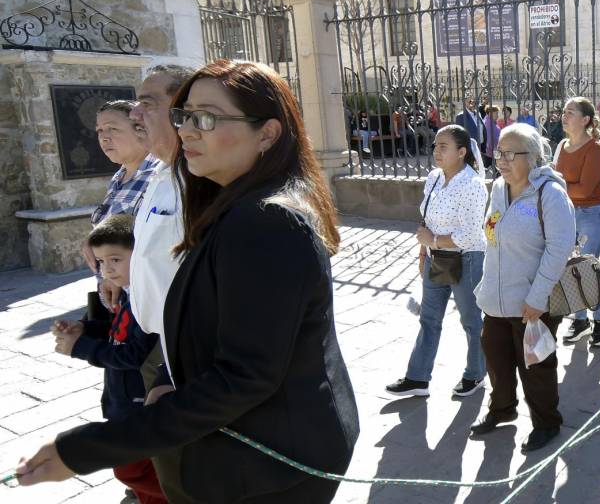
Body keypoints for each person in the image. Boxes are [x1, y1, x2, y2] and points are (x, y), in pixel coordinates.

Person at [15, 61, 361, 502]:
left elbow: (244, 376)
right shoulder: (225, 201)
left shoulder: (265, 221)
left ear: (268, 133)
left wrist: (85, 450)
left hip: (270, 467)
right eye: (184, 115)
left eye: (207, 118)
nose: (187, 131)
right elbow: (206, 321)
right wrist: (165, 373)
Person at [471, 123, 576, 453]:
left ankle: (547, 423)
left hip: (532, 304)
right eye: (498, 152)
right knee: (497, 362)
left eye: (509, 154)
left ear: (532, 158)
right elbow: (492, 237)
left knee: (536, 368)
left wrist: (537, 298)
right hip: (496, 302)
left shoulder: (550, 194)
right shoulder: (499, 188)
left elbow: (559, 249)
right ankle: (502, 409)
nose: (500, 160)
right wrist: (486, 287)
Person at [53, 215, 166, 504]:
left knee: (136, 471)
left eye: (115, 259)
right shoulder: (129, 294)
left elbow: (132, 355)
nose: (108, 269)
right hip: (120, 399)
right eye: (101, 262)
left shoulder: (147, 299)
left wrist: (81, 347)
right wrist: (86, 328)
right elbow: (117, 331)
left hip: (138, 402)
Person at [387, 125, 489, 399]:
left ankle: (476, 373)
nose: (436, 151)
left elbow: (469, 235)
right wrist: (424, 252)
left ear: (462, 152)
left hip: (467, 259)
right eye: (435, 145)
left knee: (472, 321)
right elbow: (428, 220)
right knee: (429, 319)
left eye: (444, 146)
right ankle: (418, 378)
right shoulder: (433, 177)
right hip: (436, 258)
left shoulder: (473, 186)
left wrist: (432, 240)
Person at [86, 100, 159, 313]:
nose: (104, 137)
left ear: (140, 130)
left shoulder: (158, 175)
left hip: (142, 298)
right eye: (99, 130)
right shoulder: (120, 175)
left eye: (113, 129)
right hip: (116, 298)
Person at [555, 97, 600, 346]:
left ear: (585, 119)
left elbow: (585, 190)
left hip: (591, 215)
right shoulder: (562, 145)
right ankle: (580, 321)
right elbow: (565, 187)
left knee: (586, 269)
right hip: (567, 214)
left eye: (570, 112)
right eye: (564, 112)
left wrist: (558, 185)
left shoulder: (594, 148)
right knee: (570, 268)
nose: (564, 116)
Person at [455, 98, 487, 164]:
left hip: (480, 146)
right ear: (465, 103)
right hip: (470, 148)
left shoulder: (478, 114)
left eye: (474, 101)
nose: (472, 103)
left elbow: (482, 129)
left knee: (479, 167)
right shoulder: (461, 116)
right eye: (469, 101)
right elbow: (459, 134)